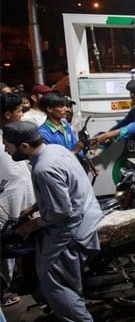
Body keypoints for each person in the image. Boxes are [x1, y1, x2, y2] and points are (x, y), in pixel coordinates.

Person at [4, 121, 102, 321]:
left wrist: (33, 223)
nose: (5, 150)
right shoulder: (56, 150)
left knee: (54, 282)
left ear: (24, 146)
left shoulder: (43, 168)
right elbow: (64, 189)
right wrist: (34, 207)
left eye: (8, 145)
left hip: (72, 228)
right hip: (87, 212)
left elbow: (61, 210)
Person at [0, 94, 36, 309]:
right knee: (5, 243)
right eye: (19, 112)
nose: (22, 115)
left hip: (24, 196)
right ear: (7, 115)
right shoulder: (6, 137)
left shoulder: (15, 134)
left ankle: (21, 279)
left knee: (24, 237)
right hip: (6, 199)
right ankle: (3, 288)